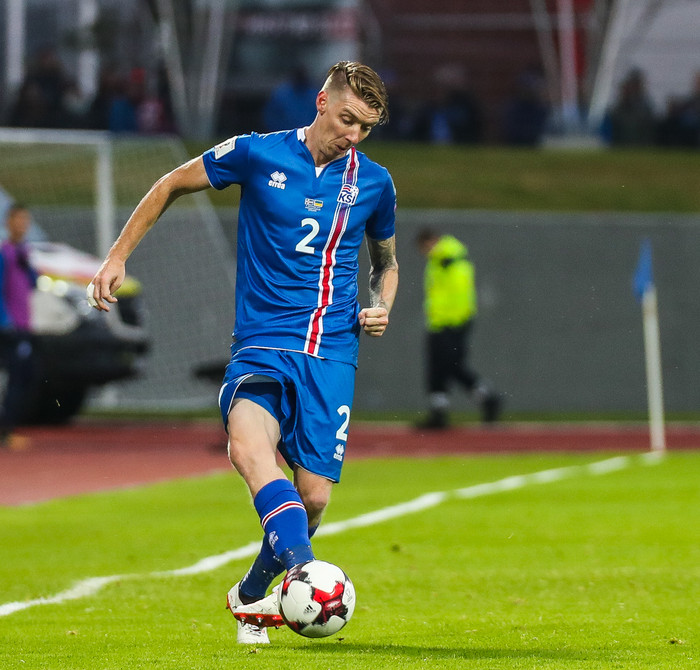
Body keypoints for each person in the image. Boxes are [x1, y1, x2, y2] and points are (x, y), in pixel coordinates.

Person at [89, 61, 398, 644]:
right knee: (250, 450)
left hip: (331, 352)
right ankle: (306, 575)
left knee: (314, 497)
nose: (353, 135)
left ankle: (252, 593)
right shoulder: (256, 153)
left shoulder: (375, 184)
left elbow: (386, 262)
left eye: (365, 127)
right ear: (322, 103)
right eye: (347, 120)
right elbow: (170, 184)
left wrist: (381, 304)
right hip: (262, 343)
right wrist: (117, 257)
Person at [415, 227, 500, 429]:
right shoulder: (440, 261)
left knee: (451, 365)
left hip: (452, 322)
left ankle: (487, 398)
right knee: (438, 367)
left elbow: (459, 291)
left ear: (430, 241)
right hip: (439, 322)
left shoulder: (450, 258)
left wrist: (457, 319)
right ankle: (440, 409)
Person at [0, 204, 38, 448]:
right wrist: (6, 322)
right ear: (8, 222)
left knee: (24, 377)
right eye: (18, 220)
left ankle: (8, 428)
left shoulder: (23, 252)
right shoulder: (4, 253)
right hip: (9, 328)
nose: (22, 225)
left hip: (23, 326)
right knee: (16, 378)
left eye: (25, 220)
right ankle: (6, 431)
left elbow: (34, 284)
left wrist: (28, 265)